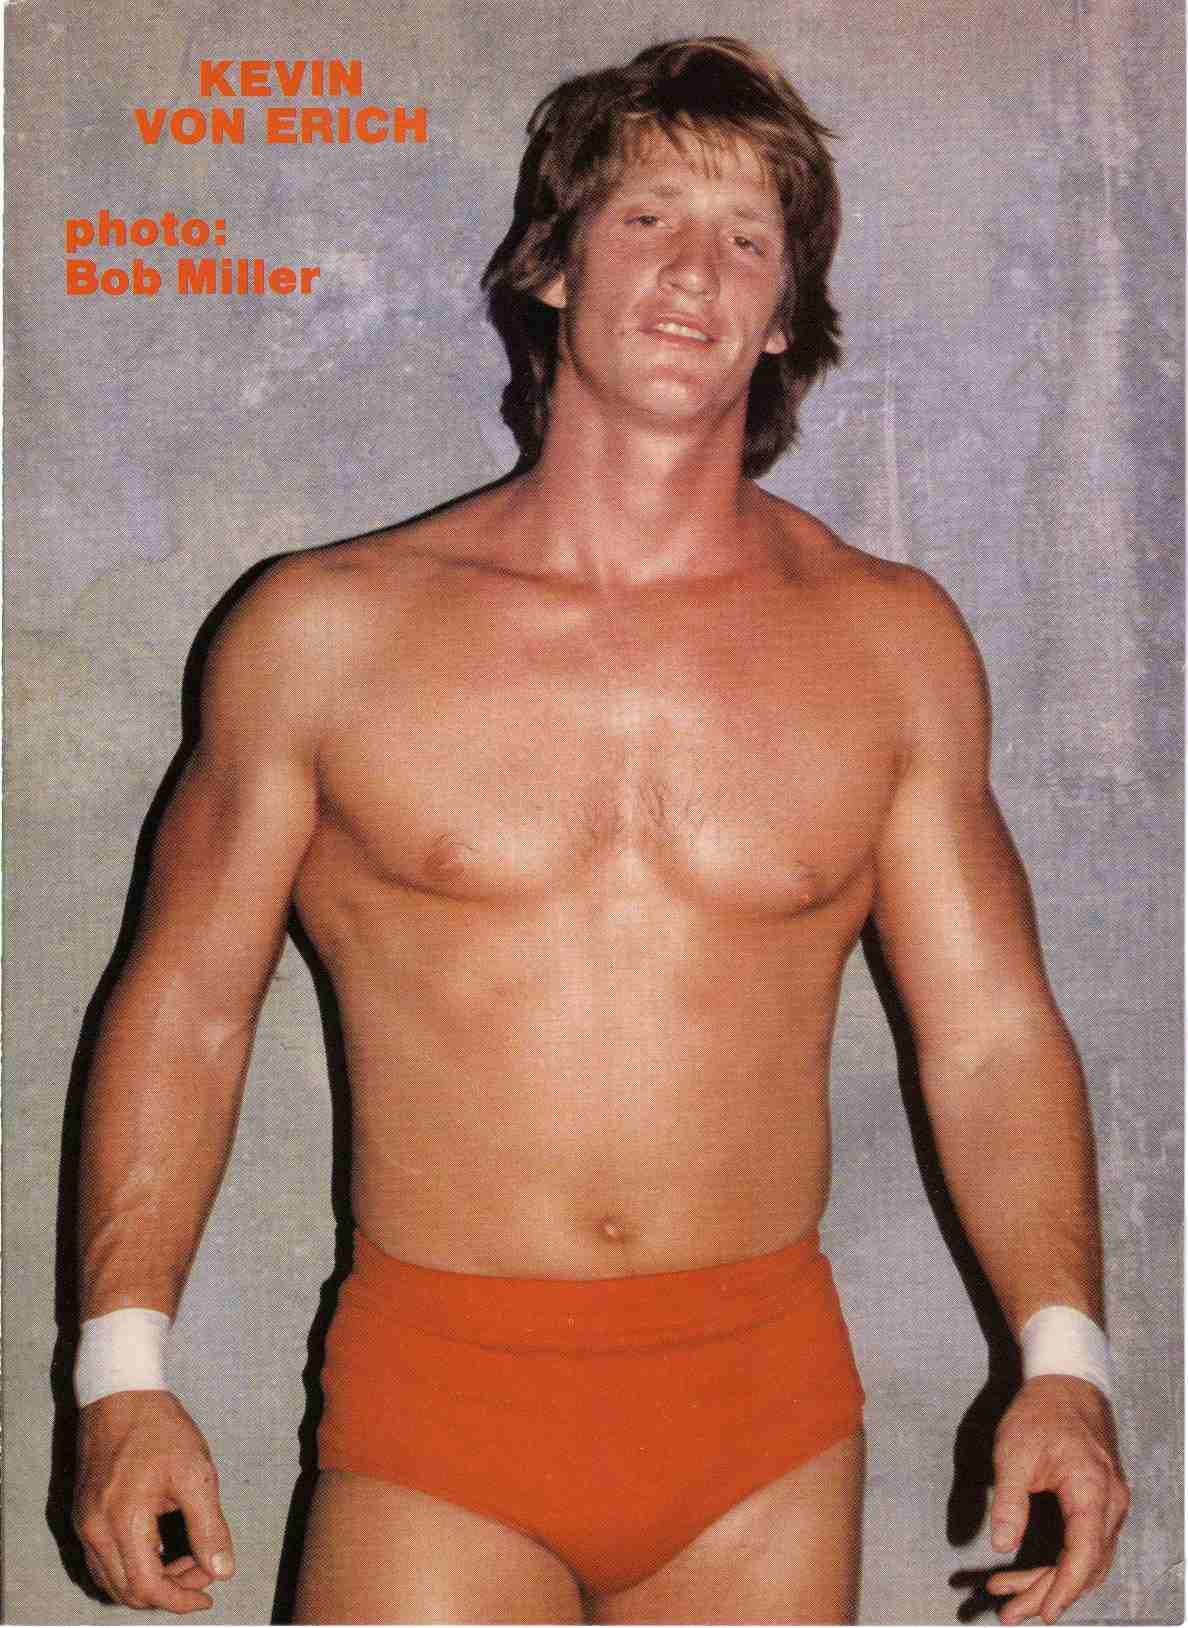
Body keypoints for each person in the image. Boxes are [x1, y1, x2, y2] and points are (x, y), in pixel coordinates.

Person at [71, 37, 1129, 1625]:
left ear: (785, 317)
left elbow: (988, 1034)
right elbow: (188, 1008)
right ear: (556, 265)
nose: (696, 270)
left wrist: (1065, 1359)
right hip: (442, 1406)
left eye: (748, 239)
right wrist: (119, 1373)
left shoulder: (889, 646)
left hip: (765, 1418)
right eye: (647, 219)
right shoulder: (325, 633)